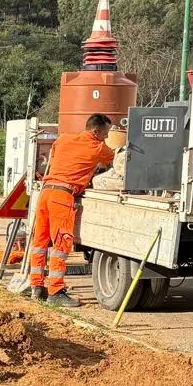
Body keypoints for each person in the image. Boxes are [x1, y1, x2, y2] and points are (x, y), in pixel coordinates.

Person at [28, 113, 115, 307]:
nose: (107, 137)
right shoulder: (98, 147)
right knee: (60, 245)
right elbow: (116, 160)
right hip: (63, 196)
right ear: (96, 131)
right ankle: (56, 292)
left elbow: (58, 158)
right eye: (106, 133)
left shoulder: (64, 138)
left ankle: (36, 286)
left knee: (40, 242)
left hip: (46, 192)